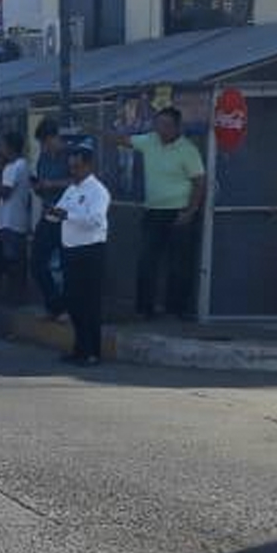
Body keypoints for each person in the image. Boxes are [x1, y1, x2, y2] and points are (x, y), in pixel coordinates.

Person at [128, 107, 206, 319]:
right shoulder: (150, 141)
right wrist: (97, 131)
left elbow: (199, 183)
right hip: (153, 211)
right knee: (146, 261)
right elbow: (124, 141)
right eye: (159, 124)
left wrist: (190, 211)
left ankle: (177, 309)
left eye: (167, 125)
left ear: (177, 127)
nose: (162, 129)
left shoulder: (188, 150)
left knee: (179, 263)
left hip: (179, 212)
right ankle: (145, 308)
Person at [49, 144, 110, 366]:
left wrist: (68, 215)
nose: (73, 171)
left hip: (90, 251)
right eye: (71, 167)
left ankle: (93, 352)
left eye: (77, 167)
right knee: (74, 302)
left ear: (88, 166)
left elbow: (96, 220)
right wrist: (53, 214)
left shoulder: (98, 191)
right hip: (70, 249)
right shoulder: (71, 189)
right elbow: (60, 212)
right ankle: (79, 348)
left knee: (90, 304)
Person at [28, 119, 71, 320]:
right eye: (42, 144)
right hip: (48, 214)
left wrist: (53, 184)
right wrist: (39, 188)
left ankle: (64, 308)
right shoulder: (43, 158)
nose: (44, 147)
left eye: (46, 142)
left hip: (68, 218)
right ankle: (54, 304)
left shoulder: (71, 155)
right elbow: (43, 184)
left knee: (67, 266)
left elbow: (81, 181)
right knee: (37, 263)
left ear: (55, 138)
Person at [0, 130, 33, 294]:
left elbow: (5, 192)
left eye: (2, 145)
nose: (0, 148)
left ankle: (14, 292)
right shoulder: (24, 165)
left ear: (9, 147)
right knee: (18, 258)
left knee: (12, 258)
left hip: (10, 220)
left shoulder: (11, 167)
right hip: (19, 218)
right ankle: (19, 291)